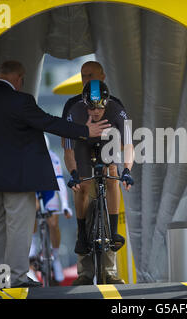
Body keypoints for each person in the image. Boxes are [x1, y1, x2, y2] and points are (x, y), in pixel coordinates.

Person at [0, 60, 110, 288]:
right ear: (19, 78)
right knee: (18, 227)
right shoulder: (21, 101)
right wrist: (85, 130)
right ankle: (17, 279)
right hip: (18, 177)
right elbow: (47, 122)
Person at [61, 62, 134, 285]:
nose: (85, 79)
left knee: (112, 172)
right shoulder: (73, 107)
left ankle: (111, 244)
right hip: (81, 148)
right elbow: (68, 149)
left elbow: (129, 144)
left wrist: (127, 170)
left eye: (90, 75)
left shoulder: (116, 107)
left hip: (107, 145)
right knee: (82, 186)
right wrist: (73, 173)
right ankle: (84, 260)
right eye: (83, 76)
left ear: (102, 76)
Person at [29, 135, 73, 284]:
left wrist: (65, 204)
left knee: (53, 223)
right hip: (33, 189)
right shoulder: (26, 155)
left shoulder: (53, 157)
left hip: (48, 190)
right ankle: (33, 245)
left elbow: (60, 181)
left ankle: (56, 257)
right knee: (32, 209)